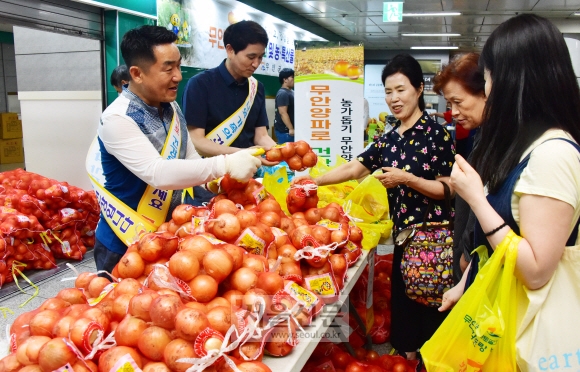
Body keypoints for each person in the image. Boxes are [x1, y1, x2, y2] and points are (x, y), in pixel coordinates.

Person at [294, 54, 456, 362]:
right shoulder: (389, 138)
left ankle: (434, 361)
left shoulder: (437, 134)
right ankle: (406, 361)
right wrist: (315, 181)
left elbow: (448, 189)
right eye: (388, 91)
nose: (394, 99)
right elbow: (357, 168)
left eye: (401, 90)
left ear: (419, 89)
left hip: (434, 242)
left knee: (433, 309)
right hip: (403, 239)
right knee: (405, 308)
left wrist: (408, 179)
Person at [440, 13, 580, 333]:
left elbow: (534, 271)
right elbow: (508, 239)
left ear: (511, 79)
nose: (487, 90)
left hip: (529, 333)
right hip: (503, 322)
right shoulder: (527, 145)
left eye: (487, 78)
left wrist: (476, 198)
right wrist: (467, 282)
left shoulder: (553, 155)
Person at [88, 25, 261, 274]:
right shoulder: (118, 118)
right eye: (168, 69)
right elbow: (157, 173)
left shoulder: (171, 108)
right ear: (137, 73)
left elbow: (189, 158)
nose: (178, 76)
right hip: (124, 240)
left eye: (179, 66)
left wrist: (216, 184)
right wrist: (225, 163)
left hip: (166, 236)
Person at [432, 53, 486, 284]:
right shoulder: (483, 136)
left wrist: (466, 254)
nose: (453, 112)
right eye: (449, 104)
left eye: (459, 102)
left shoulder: (496, 144)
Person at [273, 68, 295, 144]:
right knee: (287, 154)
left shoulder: (291, 92)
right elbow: (283, 113)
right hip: (285, 132)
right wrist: (291, 129)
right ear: (285, 79)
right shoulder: (283, 93)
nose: (294, 79)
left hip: (290, 131)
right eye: (292, 77)